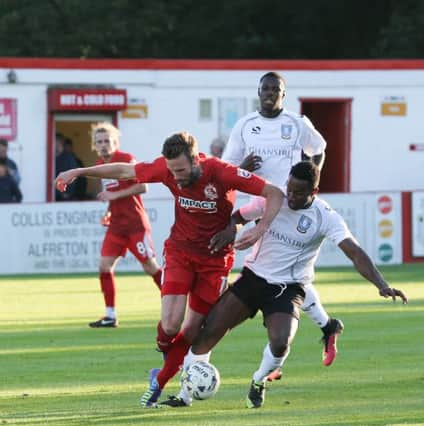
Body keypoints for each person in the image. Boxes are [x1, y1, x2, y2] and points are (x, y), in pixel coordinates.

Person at [56, 131, 284, 407]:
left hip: (215, 261)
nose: (175, 177)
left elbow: (273, 193)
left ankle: (159, 382)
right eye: (172, 170)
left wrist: (260, 228)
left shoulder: (221, 172)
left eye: (181, 170)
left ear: (196, 160)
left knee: (190, 331)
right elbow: (125, 170)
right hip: (180, 253)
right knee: (170, 324)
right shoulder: (166, 168)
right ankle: (167, 354)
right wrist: (79, 171)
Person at [164, 161, 407, 409]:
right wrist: (231, 229)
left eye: (298, 192)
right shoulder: (274, 197)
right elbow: (239, 215)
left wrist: (381, 284)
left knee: (280, 341)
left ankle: (259, 380)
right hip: (253, 279)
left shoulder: (325, 217)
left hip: (288, 288)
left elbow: (354, 252)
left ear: (314, 192)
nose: (290, 195)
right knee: (208, 333)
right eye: (289, 188)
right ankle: (184, 395)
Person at [222, 71, 344, 367]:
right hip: (261, 204)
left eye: (275, 89)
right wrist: (242, 166)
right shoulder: (245, 126)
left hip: (290, 205)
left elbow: (320, 149)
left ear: (283, 94)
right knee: (285, 272)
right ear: (258, 91)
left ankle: (318, 326)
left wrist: (311, 181)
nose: (270, 93)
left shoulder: (297, 124)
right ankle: (327, 326)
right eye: (265, 88)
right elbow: (225, 167)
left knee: (283, 271)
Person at [85, 122, 163, 328]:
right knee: (104, 266)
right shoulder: (101, 164)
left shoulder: (126, 159)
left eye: (107, 141)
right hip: (116, 227)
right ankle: (110, 315)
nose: (103, 145)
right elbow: (113, 194)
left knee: (150, 267)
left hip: (136, 225)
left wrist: (115, 195)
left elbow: (143, 186)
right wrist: (109, 211)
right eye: (99, 142)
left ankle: (176, 303)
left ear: (115, 142)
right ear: (95, 145)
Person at [55, 133, 79, 201]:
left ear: (61, 142)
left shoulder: (69, 158)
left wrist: (67, 193)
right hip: (54, 195)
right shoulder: (51, 157)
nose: (54, 144)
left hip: (65, 197)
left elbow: (73, 176)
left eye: (57, 141)